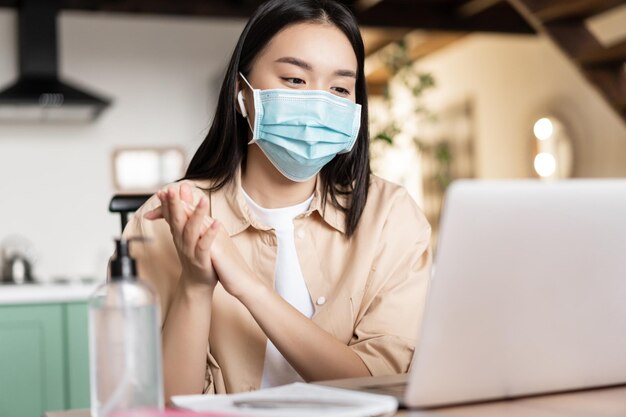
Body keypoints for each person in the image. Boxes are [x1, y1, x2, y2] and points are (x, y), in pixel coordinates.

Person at [123, 0, 432, 399]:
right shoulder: (169, 219)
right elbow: (158, 404)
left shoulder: (389, 216)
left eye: (339, 88)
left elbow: (378, 384)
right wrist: (196, 285)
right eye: (295, 80)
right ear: (241, 93)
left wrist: (250, 287)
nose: (319, 104)